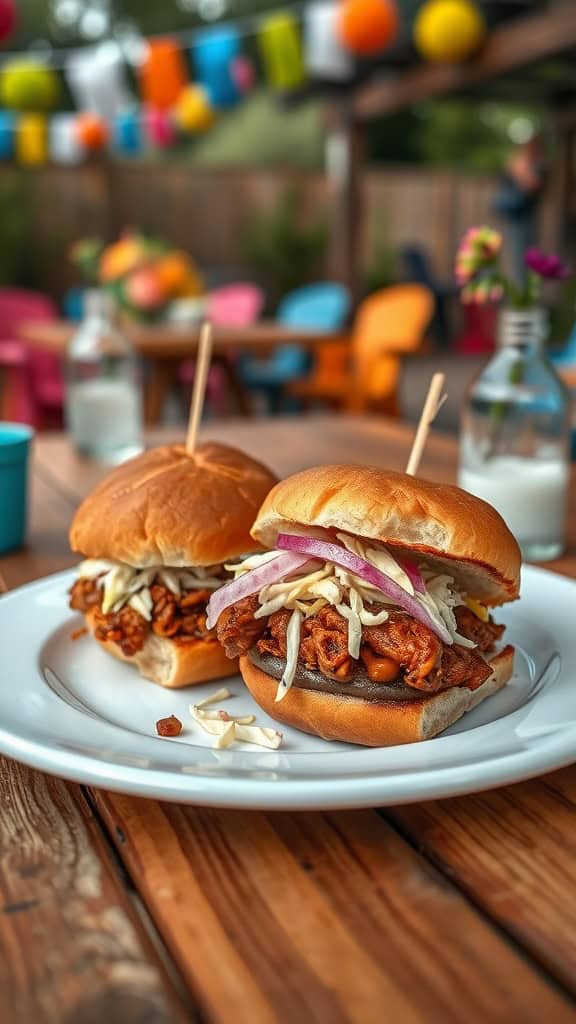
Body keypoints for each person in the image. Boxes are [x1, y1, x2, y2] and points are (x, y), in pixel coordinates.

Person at [493, 134, 546, 284]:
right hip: (515, 217)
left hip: (526, 218)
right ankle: (519, 296)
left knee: (525, 262)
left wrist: (521, 171)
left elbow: (531, 186)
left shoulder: (538, 166)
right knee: (517, 260)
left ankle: (524, 297)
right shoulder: (518, 164)